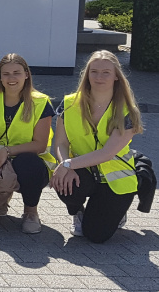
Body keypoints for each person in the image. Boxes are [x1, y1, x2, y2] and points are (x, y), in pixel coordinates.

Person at [51, 50, 143, 243]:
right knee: (64, 183)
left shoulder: (127, 110)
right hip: (82, 170)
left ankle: (119, 210)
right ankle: (78, 211)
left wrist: (67, 164)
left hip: (116, 180)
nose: (99, 77)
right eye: (94, 71)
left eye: (106, 72)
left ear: (116, 76)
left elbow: (107, 153)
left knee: (96, 236)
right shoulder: (69, 103)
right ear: (87, 74)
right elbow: (60, 142)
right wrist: (64, 164)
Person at [0, 53, 56, 232]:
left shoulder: (41, 102)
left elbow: (40, 145)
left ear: (26, 74)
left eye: (17, 73)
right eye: (6, 74)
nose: (11, 78)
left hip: (30, 163)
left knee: (27, 163)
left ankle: (30, 212)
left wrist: (6, 151)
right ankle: (1, 199)